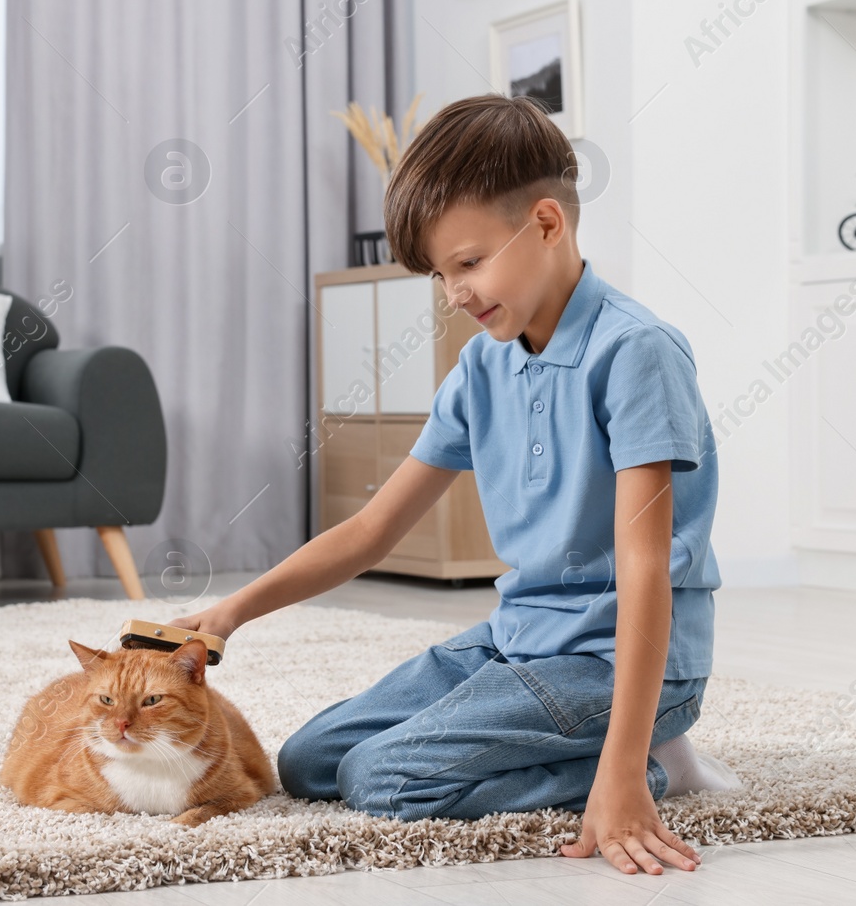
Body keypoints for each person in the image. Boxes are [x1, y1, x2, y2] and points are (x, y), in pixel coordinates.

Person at [167, 93, 739, 877]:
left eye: (468, 264)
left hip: (617, 659)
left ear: (547, 223)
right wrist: (229, 613)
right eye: (441, 274)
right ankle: (608, 749)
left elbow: (644, 570)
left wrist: (619, 766)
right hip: (517, 639)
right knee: (307, 761)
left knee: (381, 777)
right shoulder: (482, 365)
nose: (454, 294)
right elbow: (371, 531)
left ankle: (647, 764)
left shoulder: (636, 353)